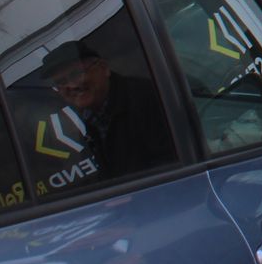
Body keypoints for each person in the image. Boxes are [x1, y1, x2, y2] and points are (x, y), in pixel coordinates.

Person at [39, 40, 175, 181]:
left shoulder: (147, 98)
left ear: (103, 68)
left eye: (76, 74)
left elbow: (170, 164)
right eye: (61, 82)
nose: (72, 85)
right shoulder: (91, 117)